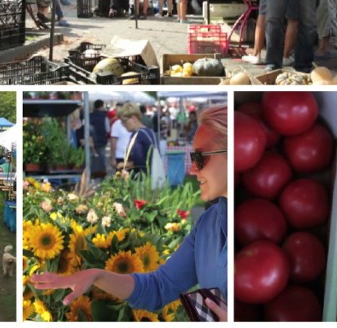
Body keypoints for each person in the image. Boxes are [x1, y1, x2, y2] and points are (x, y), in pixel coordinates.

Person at [32, 104, 228, 320]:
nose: (191, 169)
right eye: (192, 158)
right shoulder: (207, 225)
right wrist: (97, 275)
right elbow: (160, 286)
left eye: (200, 158)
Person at [116, 103, 158, 177]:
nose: (123, 125)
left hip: (142, 178)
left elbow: (139, 161)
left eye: (124, 121)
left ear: (134, 118)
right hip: (154, 174)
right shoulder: (150, 131)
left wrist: (124, 164)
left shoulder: (137, 135)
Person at [89, 100, 110, 178]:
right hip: (101, 141)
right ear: (101, 106)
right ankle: (101, 176)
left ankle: (91, 175)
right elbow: (107, 129)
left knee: (91, 160)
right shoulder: (104, 116)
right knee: (102, 159)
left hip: (90, 141)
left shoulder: (89, 115)